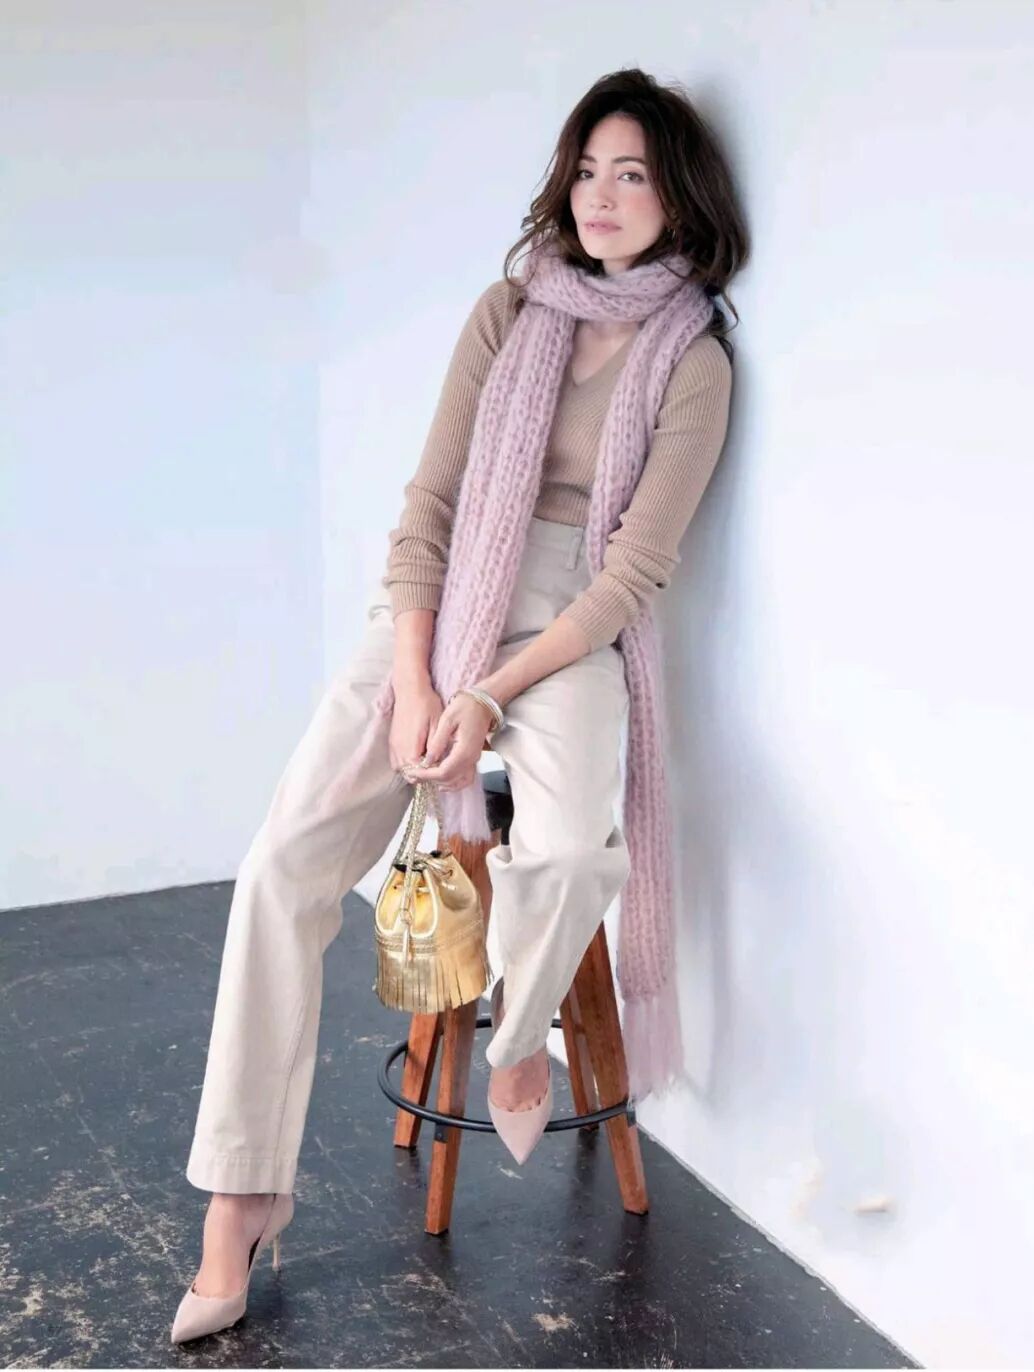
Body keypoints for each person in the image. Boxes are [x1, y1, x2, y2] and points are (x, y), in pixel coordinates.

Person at [171, 65, 749, 1345]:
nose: (602, 196)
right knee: (281, 864)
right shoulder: (510, 310)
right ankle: (243, 1194)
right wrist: (423, 677)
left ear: (679, 196)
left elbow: (631, 578)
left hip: (569, 640)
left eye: (633, 174)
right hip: (438, 611)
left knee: (573, 846)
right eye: (587, 170)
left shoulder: (695, 362)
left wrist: (485, 699)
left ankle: (521, 1035)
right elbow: (430, 506)